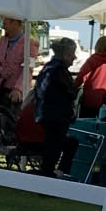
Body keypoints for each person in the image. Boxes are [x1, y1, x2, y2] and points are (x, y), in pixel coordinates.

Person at [0, 17, 39, 164]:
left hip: (13, 91)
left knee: (10, 125)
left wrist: (18, 88)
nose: (3, 25)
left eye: (6, 22)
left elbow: (28, 68)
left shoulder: (30, 43)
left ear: (16, 23)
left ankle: (14, 155)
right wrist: (0, 71)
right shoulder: (3, 41)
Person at [33, 37, 79, 177]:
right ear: (65, 54)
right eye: (72, 54)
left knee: (54, 147)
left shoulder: (48, 68)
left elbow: (39, 91)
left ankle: (52, 173)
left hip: (45, 115)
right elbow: (69, 93)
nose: (74, 58)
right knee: (54, 149)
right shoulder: (59, 72)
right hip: (56, 116)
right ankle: (50, 176)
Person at [74, 35, 106, 118]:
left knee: (87, 127)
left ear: (97, 46)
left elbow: (81, 77)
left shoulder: (91, 60)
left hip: (91, 101)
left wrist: (72, 89)